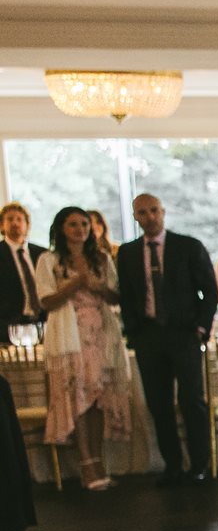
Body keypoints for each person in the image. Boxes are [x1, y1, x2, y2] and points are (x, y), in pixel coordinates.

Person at [117, 193, 218, 486]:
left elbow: (209, 291)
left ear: (163, 212)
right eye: (142, 212)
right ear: (135, 217)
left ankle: (199, 464)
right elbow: (126, 295)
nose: (149, 217)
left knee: (191, 401)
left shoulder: (188, 246)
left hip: (184, 333)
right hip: (148, 336)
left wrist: (201, 327)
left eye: (153, 211)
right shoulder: (127, 253)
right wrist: (133, 332)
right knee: (159, 405)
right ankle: (172, 465)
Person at [32, 206, 129, 490]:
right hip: (69, 335)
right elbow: (46, 301)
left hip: (100, 333)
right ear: (61, 228)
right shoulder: (49, 259)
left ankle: (99, 459)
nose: (80, 229)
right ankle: (86, 464)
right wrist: (76, 283)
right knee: (79, 399)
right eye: (73, 224)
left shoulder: (100, 257)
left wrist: (97, 286)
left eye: (84, 224)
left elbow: (114, 296)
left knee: (98, 399)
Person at [0, 202, 47, 339]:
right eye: (10, 219)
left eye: (19, 219)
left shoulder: (41, 254)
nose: (15, 223)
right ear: (2, 225)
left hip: (42, 321)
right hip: (10, 324)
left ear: (27, 225)